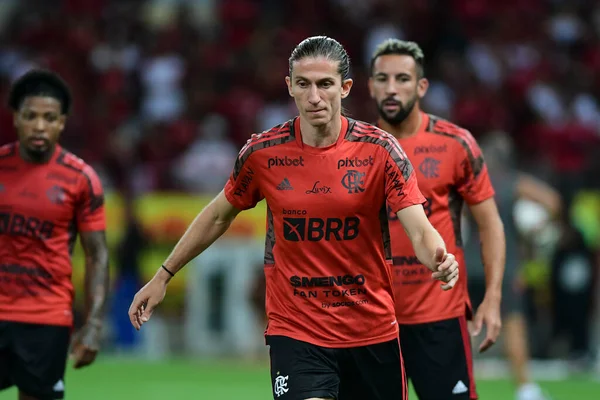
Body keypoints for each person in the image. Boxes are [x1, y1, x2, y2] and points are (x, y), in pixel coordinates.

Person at [129, 36, 459, 400]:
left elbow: (419, 227)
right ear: (290, 86)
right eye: (303, 84)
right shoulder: (262, 153)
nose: (314, 96)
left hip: (371, 331)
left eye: (325, 84)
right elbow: (218, 216)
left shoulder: (380, 151)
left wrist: (438, 259)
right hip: (297, 330)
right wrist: (164, 275)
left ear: (345, 88)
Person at [368, 39, 505, 400]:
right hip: (371, 319)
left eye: (402, 78)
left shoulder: (456, 143)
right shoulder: (355, 148)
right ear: (370, 86)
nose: (392, 88)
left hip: (438, 314)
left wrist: (492, 297)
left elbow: (490, 224)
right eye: (382, 79)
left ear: (422, 86)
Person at [0, 70, 109, 400]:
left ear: (62, 122)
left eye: (49, 118)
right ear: (16, 118)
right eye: (30, 116)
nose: (39, 126)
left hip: (46, 317)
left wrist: (93, 324)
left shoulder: (81, 178)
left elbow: (98, 254)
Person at [465, 131, 558, 400]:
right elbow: (553, 202)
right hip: (505, 265)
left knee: (468, 327)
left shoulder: (469, 182)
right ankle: (525, 389)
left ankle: (459, 383)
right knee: (514, 325)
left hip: (471, 263)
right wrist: (533, 231)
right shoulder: (513, 182)